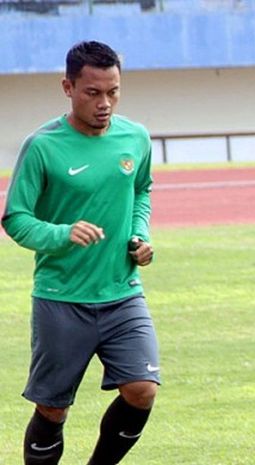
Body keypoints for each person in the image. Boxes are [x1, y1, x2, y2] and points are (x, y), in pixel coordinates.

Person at [1, 41, 159, 465]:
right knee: (53, 409)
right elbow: (15, 219)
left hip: (122, 293)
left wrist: (139, 236)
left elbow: (141, 190)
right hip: (61, 298)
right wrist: (62, 233)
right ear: (68, 87)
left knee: (142, 391)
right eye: (93, 93)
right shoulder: (43, 146)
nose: (105, 103)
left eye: (113, 91)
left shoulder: (136, 138)